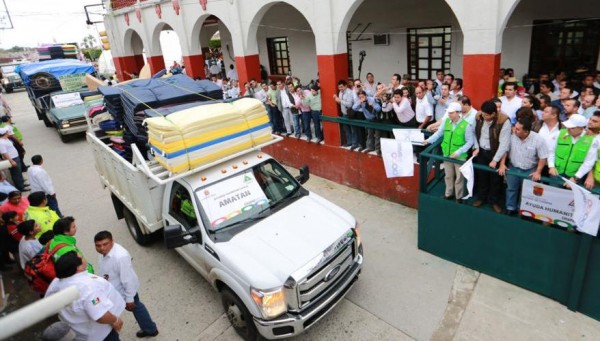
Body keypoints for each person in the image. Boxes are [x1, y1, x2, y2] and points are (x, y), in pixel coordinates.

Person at [45, 251, 125, 341]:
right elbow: (100, 315)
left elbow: (49, 304)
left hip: (79, 332)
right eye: (82, 257)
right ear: (78, 267)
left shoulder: (56, 283)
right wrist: (115, 321)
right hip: (101, 335)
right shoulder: (87, 288)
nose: (84, 258)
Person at [95, 231, 159, 338]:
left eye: (105, 244)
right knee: (136, 308)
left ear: (112, 242)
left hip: (123, 292)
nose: (101, 248)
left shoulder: (120, 257)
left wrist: (129, 299)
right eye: (98, 245)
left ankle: (150, 329)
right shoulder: (104, 253)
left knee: (136, 307)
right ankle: (150, 328)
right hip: (113, 290)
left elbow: (128, 279)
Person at [423, 101, 475, 203]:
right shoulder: (446, 121)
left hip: (459, 156)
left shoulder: (466, 125)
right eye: (449, 112)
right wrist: (428, 140)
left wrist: (459, 152)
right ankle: (448, 194)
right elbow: (438, 133)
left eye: (451, 112)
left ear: (457, 113)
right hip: (447, 154)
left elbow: (470, 142)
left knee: (459, 177)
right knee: (448, 175)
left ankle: (458, 197)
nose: (449, 114)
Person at [499, 117, 548, 215]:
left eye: (517, 129)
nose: (514, 130)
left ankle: (523, 211)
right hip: (513, 167)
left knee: (527, 192)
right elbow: (505, 150)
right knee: (511, 189)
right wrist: (502, 164)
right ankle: (510, 207)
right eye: (515, 127)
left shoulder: (538, 139)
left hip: (530, 170)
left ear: (526, 132)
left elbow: (543, 157)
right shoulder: (511, 136)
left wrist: (538, 172)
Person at [472, 100, 511, 213]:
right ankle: (481, 198)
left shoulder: (504, 121)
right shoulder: (479, 116)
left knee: (495, 179)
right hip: (481, 151)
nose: (483, 116)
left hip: (495, 152)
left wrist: (495, 160)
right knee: (481, 176)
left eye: (486, 115)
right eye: (483, 114)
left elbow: (504, 143)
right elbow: (473, 132)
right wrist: (476, 147)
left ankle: (494, 201)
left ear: (493, 114)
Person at [548, 114, 599, 184]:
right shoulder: (560, 133)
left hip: (575, 176)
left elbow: (589, 162)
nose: (568, 129)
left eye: (572, 127)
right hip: (556, 173)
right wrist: (551, 166)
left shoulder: (591, 140)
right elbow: (551, 151)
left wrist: (576, 177)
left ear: (581, 128)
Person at [0, 127, 26, 191]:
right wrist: (11, 161)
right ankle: (20, 188)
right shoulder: (1, 142)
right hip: (12, 158)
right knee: (16, 174)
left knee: (19, 172)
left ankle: (22, 184)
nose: (9, 132)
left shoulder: (6, 139)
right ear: (5, 133)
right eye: (7, 132)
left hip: (16, 156)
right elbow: (4, 153)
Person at [334, 80, 357, 148]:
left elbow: (349, 104)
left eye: (342, 87)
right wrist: (337, 99)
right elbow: (341, 103)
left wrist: (340, 100)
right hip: (344, 113)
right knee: (346, 129)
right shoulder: (340, 92)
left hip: (350, 113)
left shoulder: (349, 92)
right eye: (339, 87)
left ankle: (354, 143)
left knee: (353, 129)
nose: (340, 89)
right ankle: (349, 142)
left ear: (346, 86)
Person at [584, 111, 600, 189]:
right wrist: (590, 176)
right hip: (582, 174)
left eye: (595, 121)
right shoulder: (582, 134)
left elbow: (594, 159)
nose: (590, 122)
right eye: (590, 119)